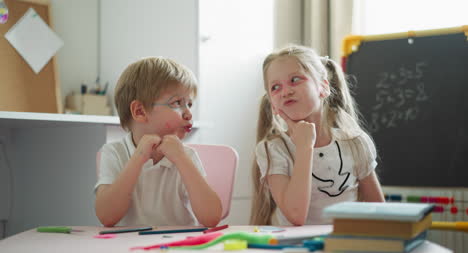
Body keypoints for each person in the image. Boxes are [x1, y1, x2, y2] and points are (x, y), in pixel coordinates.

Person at [250, 45, 385, 226]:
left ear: (323, 87)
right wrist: (305, 147)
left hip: (345, 246)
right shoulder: (272, 149)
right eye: (275, 87)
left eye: (295, 79)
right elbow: (296, 215)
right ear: (273, 105)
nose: (286, 91)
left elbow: (380, 211)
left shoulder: (355, 142)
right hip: (296, 250)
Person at [94, 57, 222, 227]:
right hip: (127, 248)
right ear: (140, 111)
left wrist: (182, 159)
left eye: (189, 104)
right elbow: (106, 217)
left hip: (178, 246)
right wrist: (139, 157)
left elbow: (212, 218)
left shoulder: (187, 156)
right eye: (177, 103)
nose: (189, 113)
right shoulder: (114, 153)